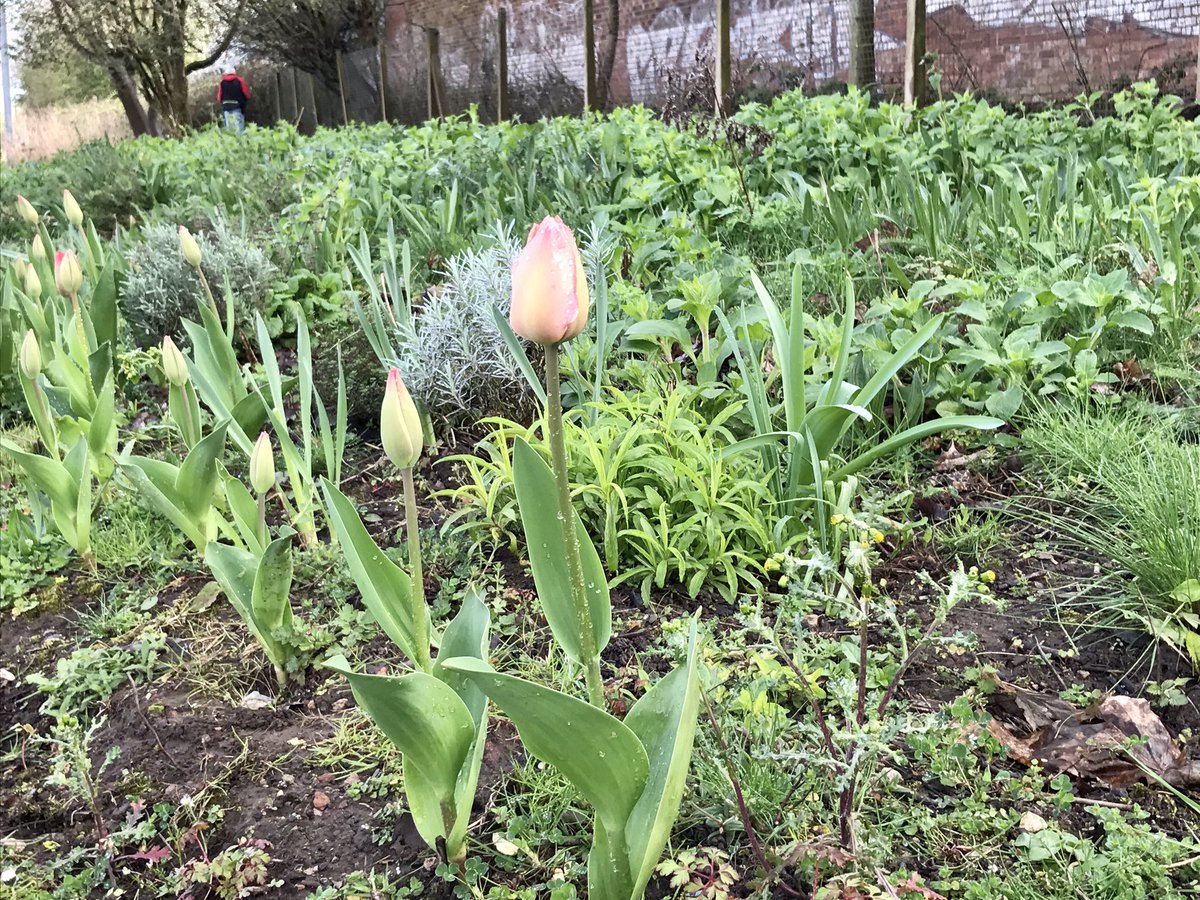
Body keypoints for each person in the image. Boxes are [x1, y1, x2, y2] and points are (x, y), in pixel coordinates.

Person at [218, 67, 251, 134]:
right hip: (237, 107)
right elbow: (246, 94)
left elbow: (219, 98)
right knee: (239, 129)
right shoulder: (240, 80)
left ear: (226, 73)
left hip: (226, 108)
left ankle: (231, 143)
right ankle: (241, 143)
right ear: (234, 72)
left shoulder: (222, 82)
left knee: (230, 130)